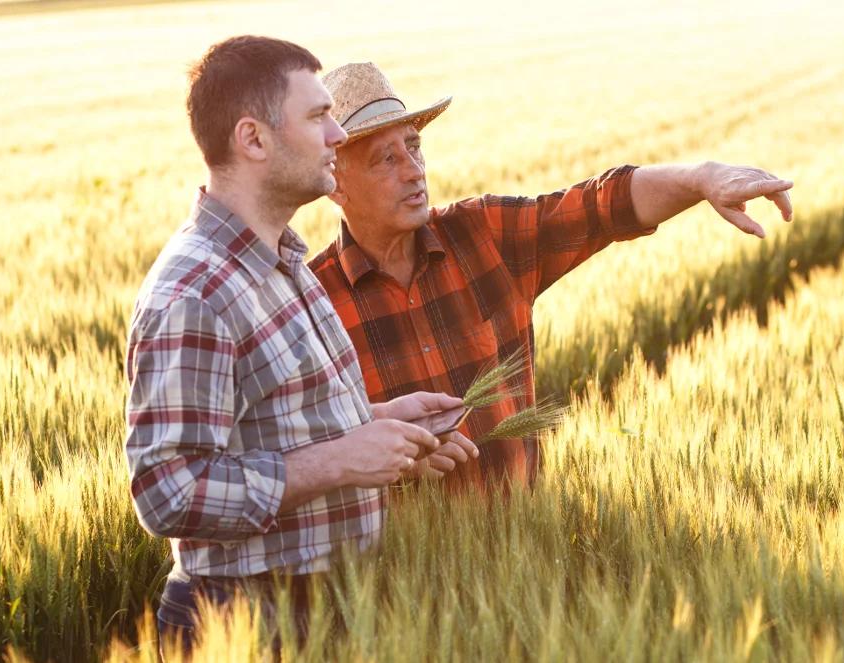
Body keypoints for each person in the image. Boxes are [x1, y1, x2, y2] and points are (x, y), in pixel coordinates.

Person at [123, 39, 477, 654]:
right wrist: (340, 461)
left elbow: (272, 425)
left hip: (325, 609)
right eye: (319, 116)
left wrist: (381, 430)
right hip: (245, 623)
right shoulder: (196, 293)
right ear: (253, 139)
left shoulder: (283, 259)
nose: (339, 135)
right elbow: (166, 492)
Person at [309, 62, 794, 490]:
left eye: (415, 148)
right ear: (336, 182)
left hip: (527, 547)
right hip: (402, 577)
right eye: (386, 159)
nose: (414, 171)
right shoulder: (311, 304)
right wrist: (388, 464)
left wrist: (700, 179)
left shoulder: (482, 235)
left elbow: (600, 207)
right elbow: (297, 451)